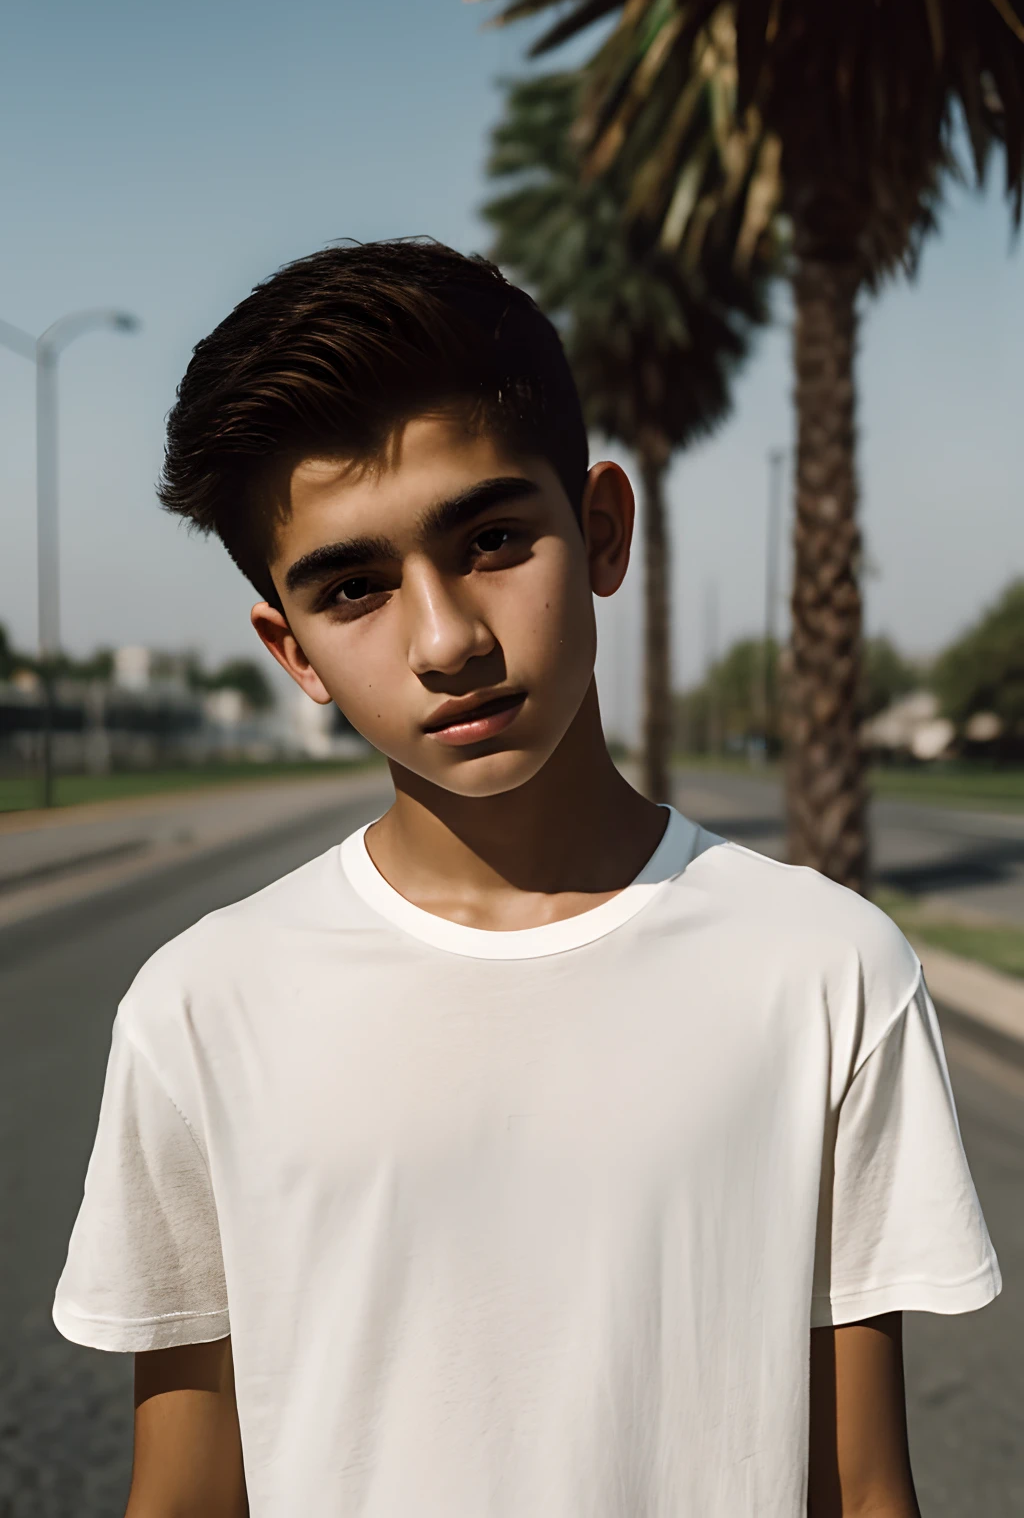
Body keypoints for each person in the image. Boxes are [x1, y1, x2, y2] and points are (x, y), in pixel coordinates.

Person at [53, 240, 999, 1518]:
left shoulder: (829, 971)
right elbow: (180, 1496)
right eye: (355, 587)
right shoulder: (198, 1010)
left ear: (600, 529)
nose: (445, 639)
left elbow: (865, 1489)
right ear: (294, 652)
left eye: (492, 537)